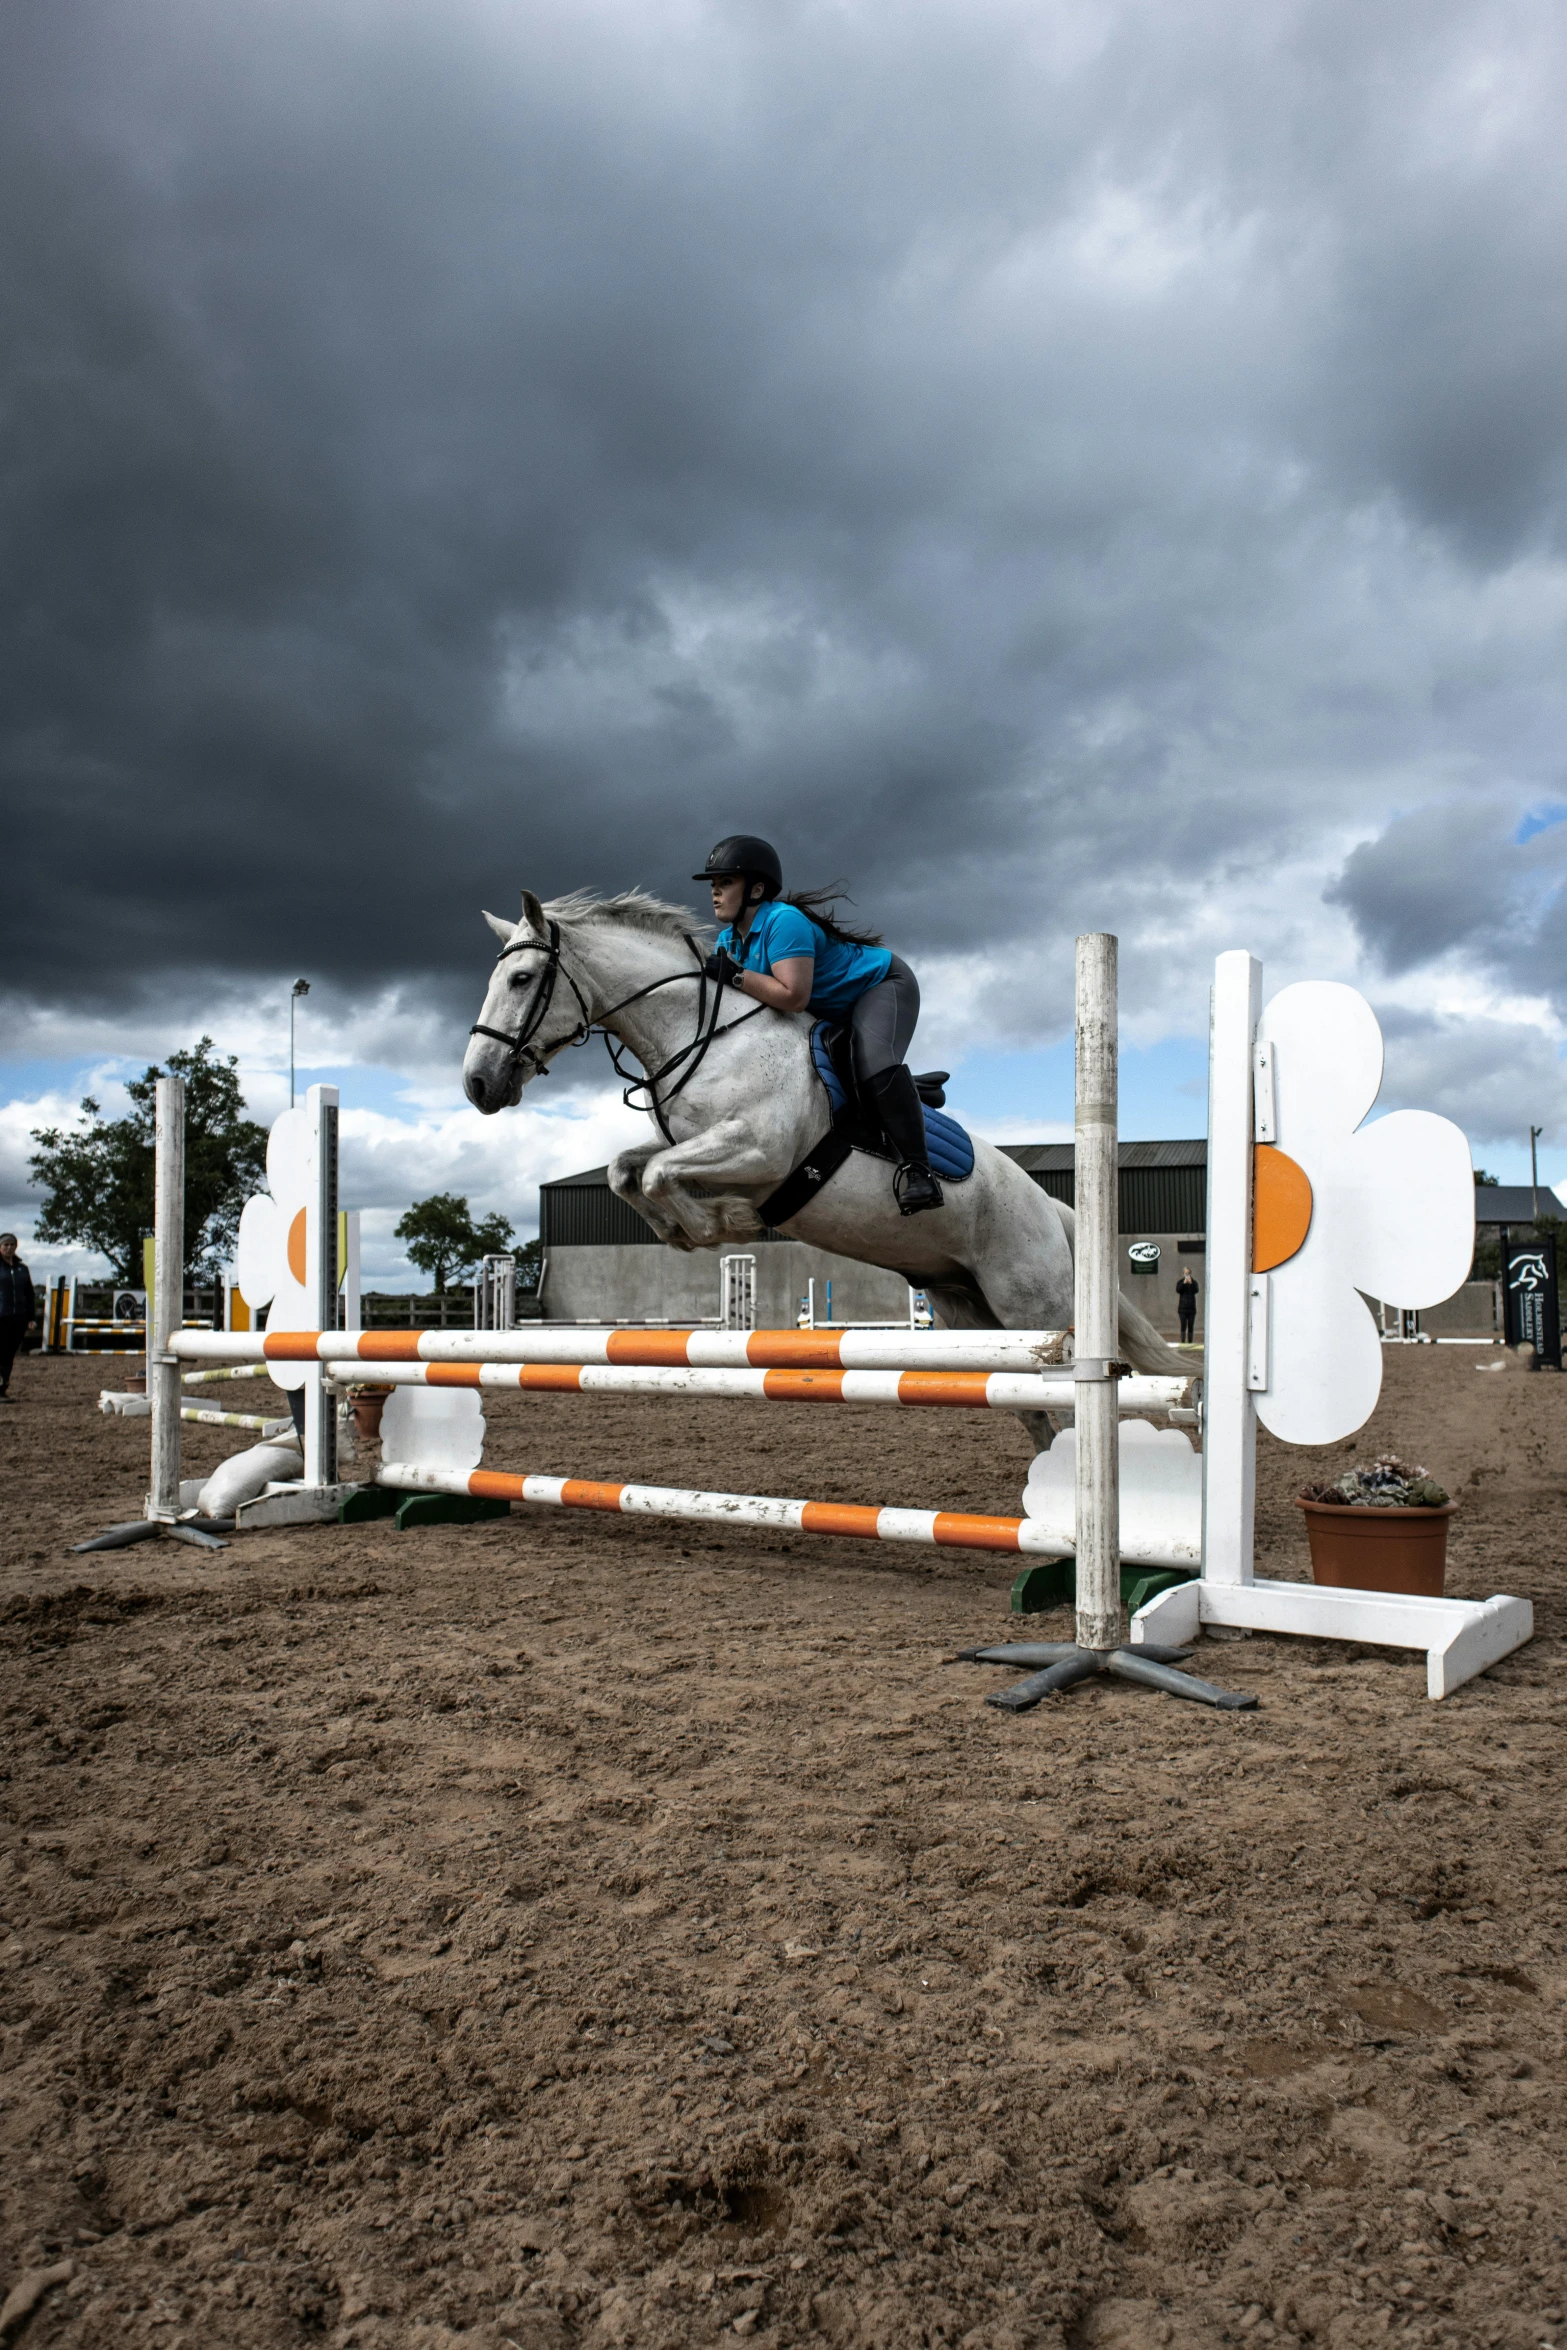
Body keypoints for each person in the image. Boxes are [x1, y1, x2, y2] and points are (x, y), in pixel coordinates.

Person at [694, 835, 944, 1214]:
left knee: (873, 1061)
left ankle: (920, 1172)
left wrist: (738, 977)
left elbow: (794, 997)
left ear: (757, 889)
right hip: (829, 1008)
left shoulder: (783, 922)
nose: (715, 893)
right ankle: (907, 1089)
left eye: (725, 883)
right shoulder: (728, 940)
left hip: (878, 986)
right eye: (713, 885)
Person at [0, 1233, 37, 1400]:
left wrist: (31, 1317)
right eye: (5, 1245)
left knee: (9, 1353)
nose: (9, 1248)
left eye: (11, 1245)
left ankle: (3, 1387)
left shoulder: (22, 1269)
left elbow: (29, 1294)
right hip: (1, 1316)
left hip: (18, 1318)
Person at [1175, 1263, 1199, 1343]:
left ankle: (1190, 1341)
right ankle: (1182, 1341)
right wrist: (1184, 1283)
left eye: (1188, 1273)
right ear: (1183, 1274)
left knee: (1191, 1326)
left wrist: (1191, 1283)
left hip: (1191, 1309)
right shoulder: (1180, 1282)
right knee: (1183, 1325)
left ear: (1190, 1274)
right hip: (1182, 1309)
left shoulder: (1194, 1282)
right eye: (1186, 1273)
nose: (1187, 1275)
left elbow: (1196, 1290)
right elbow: (1178, 1290)